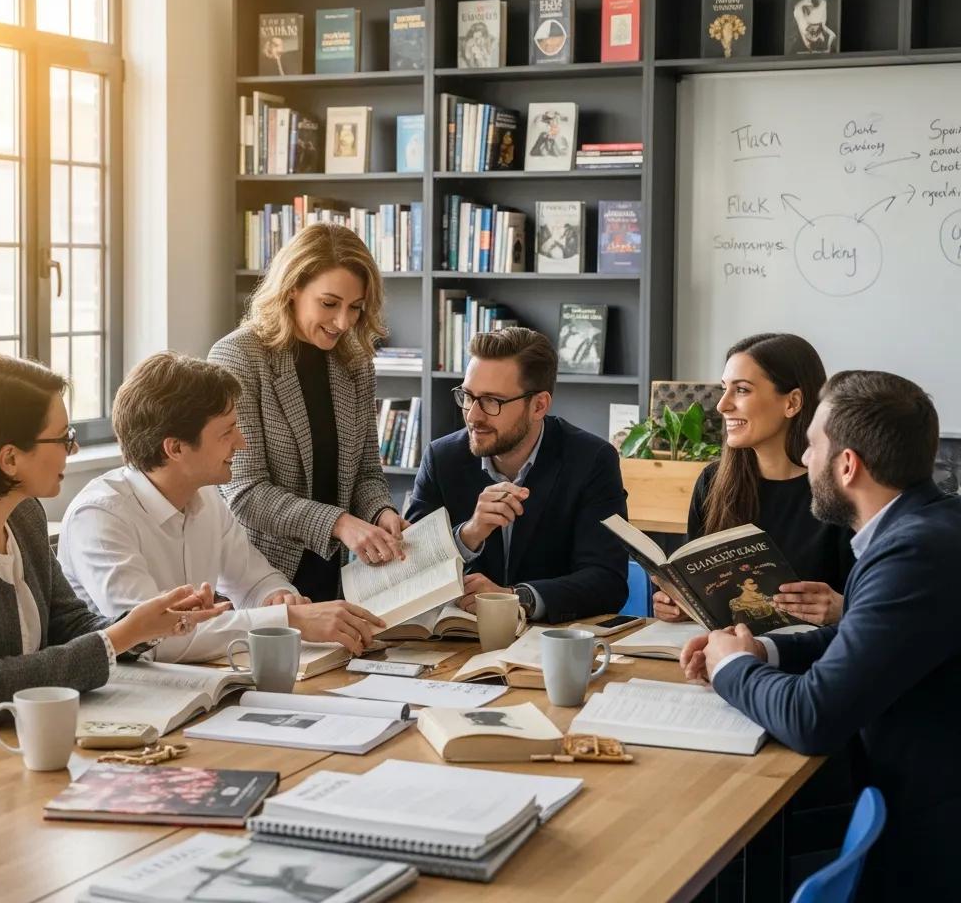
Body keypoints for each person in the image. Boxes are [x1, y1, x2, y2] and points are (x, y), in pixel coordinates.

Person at [681, 370, 961, 899]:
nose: (806, 460)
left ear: (847, 465)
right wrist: (760, 648)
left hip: (928, 838)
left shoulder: (914, 553)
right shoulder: (923, 526)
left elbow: (813, 718)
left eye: (812, 446)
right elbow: (860, 641)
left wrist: (731, 668)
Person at [0, 356, 228, 736]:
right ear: (10, 458)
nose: (72, 450)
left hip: (26, 738)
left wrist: (149, 623)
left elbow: (69, 624)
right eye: (62, 438)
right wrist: (122, 635)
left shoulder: (25, 517)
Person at [58, 352, 384, 661]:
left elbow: (255, 580)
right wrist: (290, 618)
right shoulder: (100, 517)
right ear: (175, 448)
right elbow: (154, 640)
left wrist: (279, 597)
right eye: (227, 431)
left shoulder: (207, 498)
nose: (241, 442)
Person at [209, 223, 406, 602]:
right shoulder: (239, 356)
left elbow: (365, 471)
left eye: (355, 308)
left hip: (339, 575)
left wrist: (382, 513)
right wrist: (339, 523)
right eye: (329, 304)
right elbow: (245, 492)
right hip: (262, 577)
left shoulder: (356, 361)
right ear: (292, 289)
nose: (343, 322)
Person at [406, 327, 628, 623]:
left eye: (491, 401)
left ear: (538, 405)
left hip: (548, 644)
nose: (473, 415)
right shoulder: (442, 458)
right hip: (457, 643)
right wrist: (470, 533)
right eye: (468, 396)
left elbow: (607, 582)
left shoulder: (591, 459)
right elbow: (407, 572)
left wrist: (513, 597)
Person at [654, 333, 854, 626]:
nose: (722, 405)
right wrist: (681, 603)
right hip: (723, 657)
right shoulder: (712, 482)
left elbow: (884, 610)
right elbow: (701, 593)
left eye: (742, 390)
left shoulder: (843, 490)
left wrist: (843, 609)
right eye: (724, 389)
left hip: (814, 660)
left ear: (793, 402)